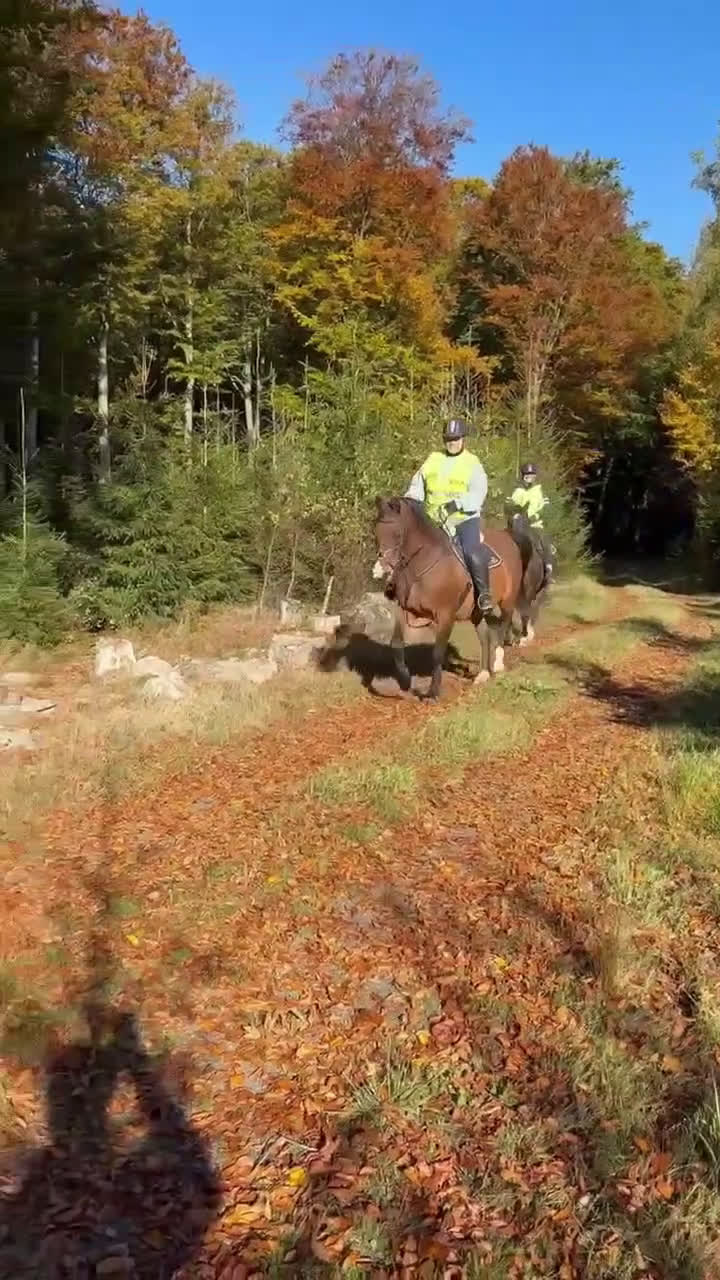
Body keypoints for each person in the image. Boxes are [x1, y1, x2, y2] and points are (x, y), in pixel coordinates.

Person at [405, 418, 495, 615]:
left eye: (455, 439)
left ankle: (484, 594)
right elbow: (417, 486)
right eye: (448, 439)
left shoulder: (472, 463)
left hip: (463, 519)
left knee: (470, 551)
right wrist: (410, 502)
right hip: (433, 520)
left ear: (463, 439)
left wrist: (458, 504)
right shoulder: (433, 459)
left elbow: (479, 492)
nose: (452, 443)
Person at [509, 462, 554, 585]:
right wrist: (514, 513)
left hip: (535, 524)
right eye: (527, 476)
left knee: (545, 542)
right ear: (523, 476)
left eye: (532, 475)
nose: (529, 478)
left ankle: (548, 569)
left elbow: (546, 508)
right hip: (519, 524)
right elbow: (510, 505)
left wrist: (534, 517)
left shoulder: (540, 491)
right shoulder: (517, 491)